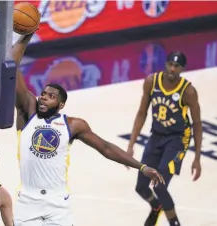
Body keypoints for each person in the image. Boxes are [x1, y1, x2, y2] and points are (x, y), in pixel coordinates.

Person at [11, 31, 165, 226]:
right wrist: (26, 36)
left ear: (61, 105)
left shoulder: (73, 125)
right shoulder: (28, 111)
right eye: (43, 93)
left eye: (50, 96)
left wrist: (142, 167)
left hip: (57, 203)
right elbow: (12, 67)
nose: (43, 97)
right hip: (28, 202)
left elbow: (106, 148)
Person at [126, 51, 202, 226]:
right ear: (166, 64)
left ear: (182, 69)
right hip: (156, 136)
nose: (173, 69)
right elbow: (142, 112)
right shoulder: (152, 82)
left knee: (159, 186)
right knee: (141, 187)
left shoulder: (188, 91)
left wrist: (197, 158)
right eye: (170, 65)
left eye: (177, 66)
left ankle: (174, 222)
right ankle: (156, 206)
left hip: (177, 140)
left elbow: (197, 124)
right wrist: (131, 145)